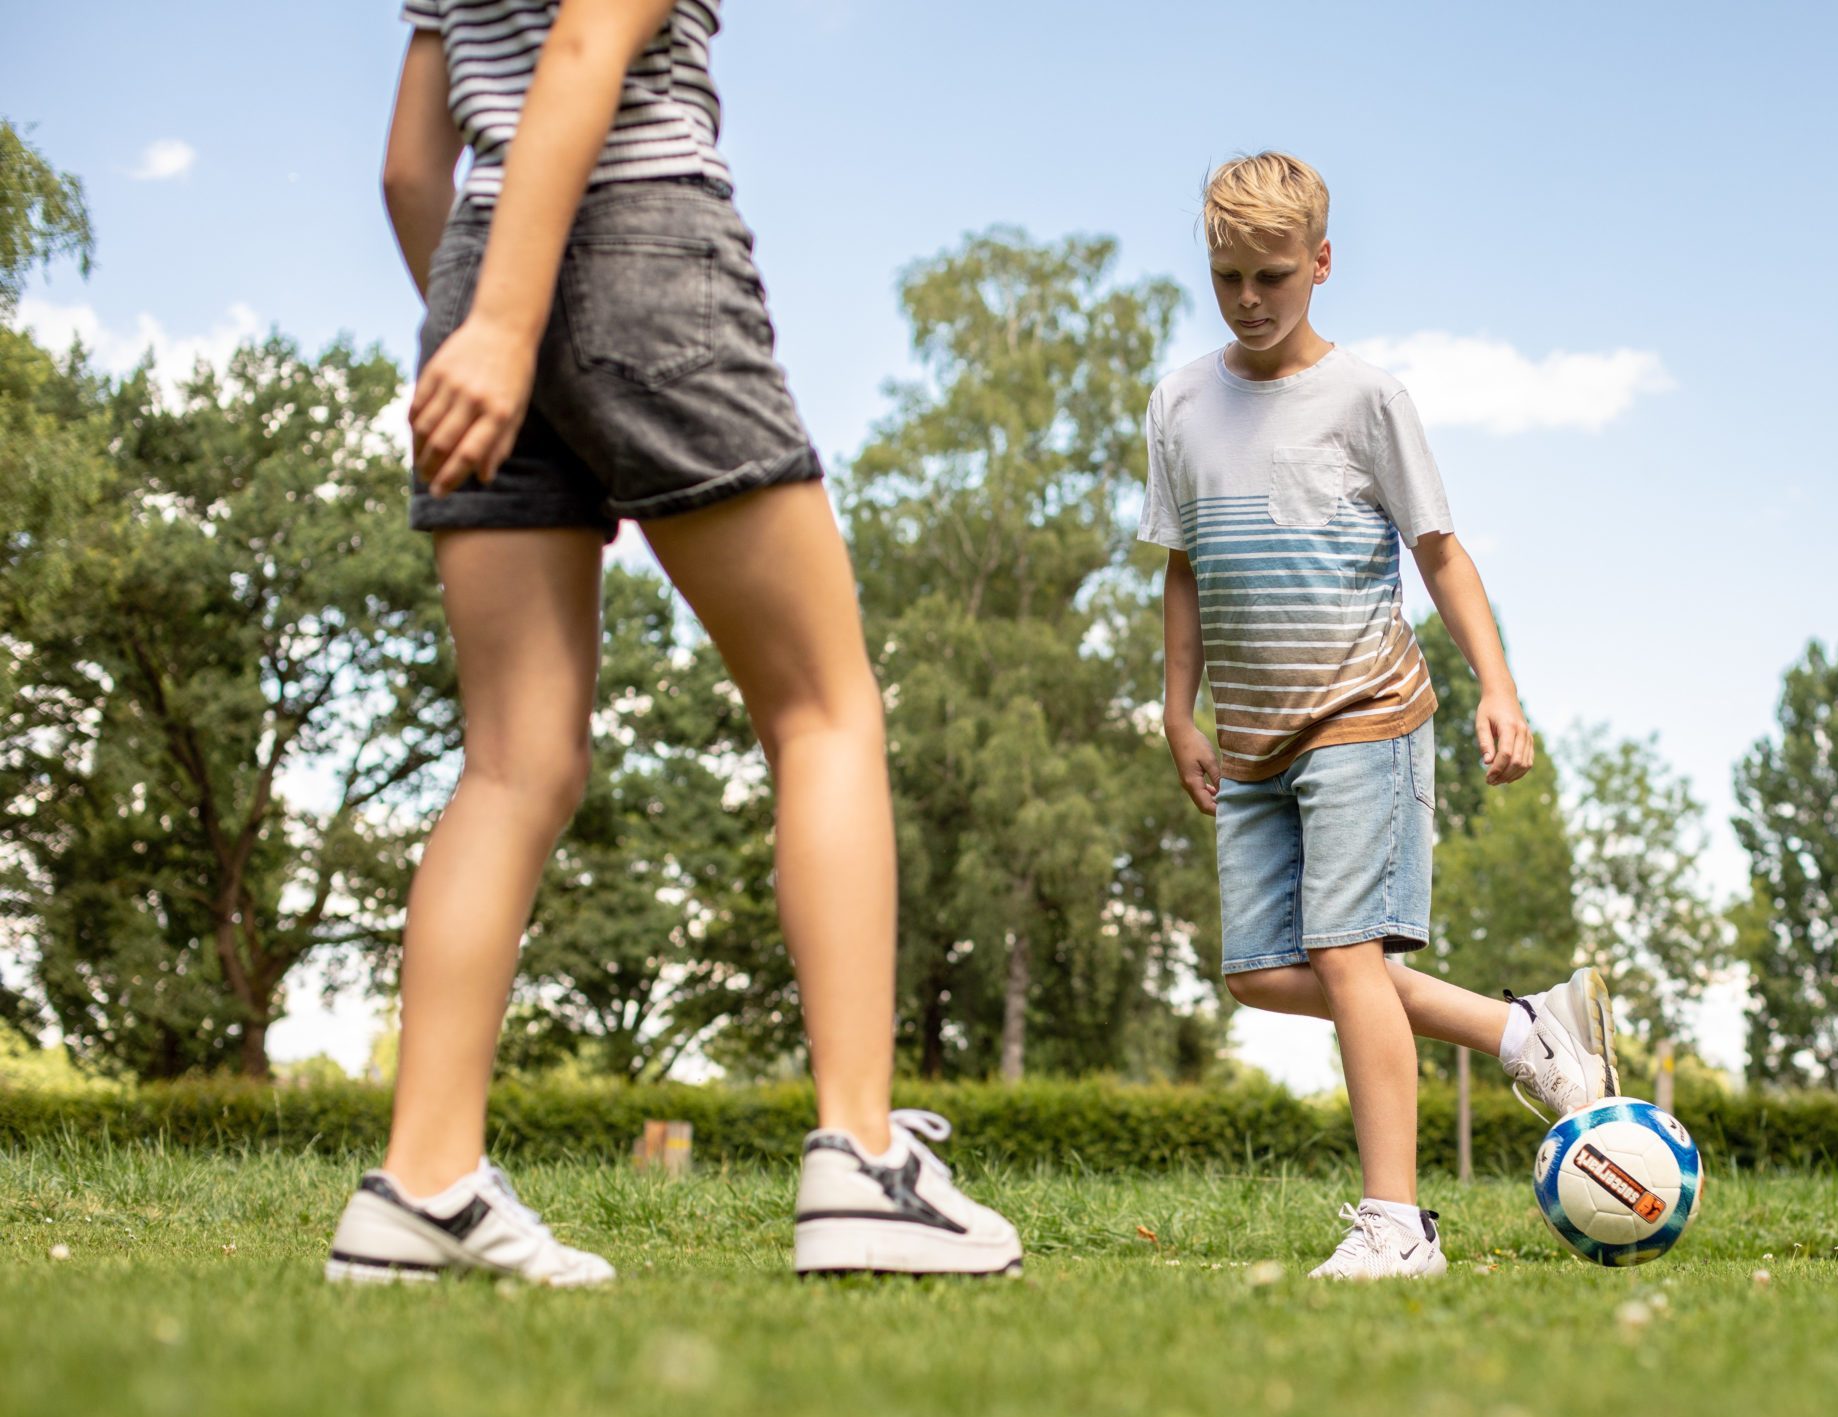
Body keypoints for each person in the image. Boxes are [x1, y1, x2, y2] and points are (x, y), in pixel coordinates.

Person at [325, 0, 1020, 1286]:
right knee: (824, 709)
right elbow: (590, 44)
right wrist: (513, 333)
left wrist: (492, 328)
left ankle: (421, 1183)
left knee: (510, 764)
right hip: (638, 241)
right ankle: (863, 1159)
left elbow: (411, 165)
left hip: (476, 254)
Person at [1144, 152, 1621, 1282]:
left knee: (1345, 953)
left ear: (1320, 263)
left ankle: (1396, 1227)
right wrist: (1177, 708)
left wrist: (1496, 688)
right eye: (1227, 278)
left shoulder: (1366, 400)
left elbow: (1439, 556)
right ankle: (1525, 1034)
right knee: (1261, 971)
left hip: (1368, 709)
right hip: (1251, 735)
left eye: (1271, 275)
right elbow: (1181, 571)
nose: (1250, 301)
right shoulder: (1178, 403)